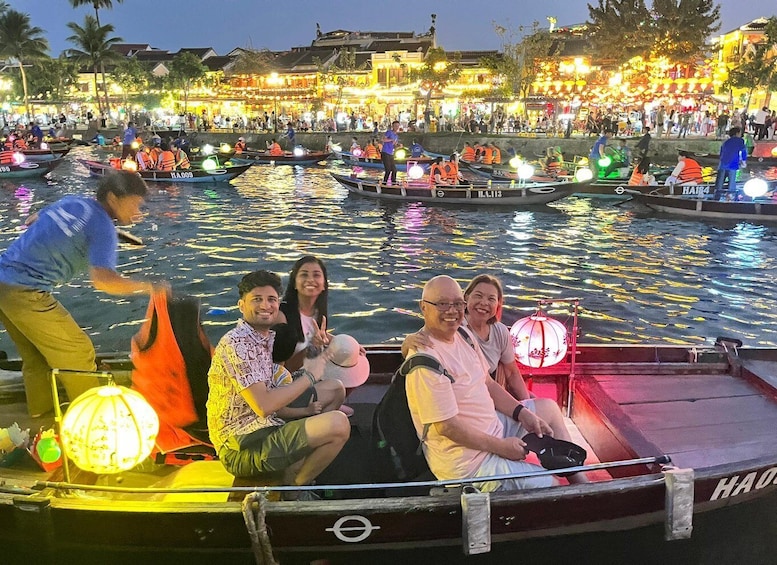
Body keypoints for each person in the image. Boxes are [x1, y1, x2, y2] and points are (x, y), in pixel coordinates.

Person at [0, 171, 162, 417]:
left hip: (3, 280)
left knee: (36, 356)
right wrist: (149, 286)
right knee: (79, 352)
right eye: (135, 202)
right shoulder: (103, 228)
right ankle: (93, 421)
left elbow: (33, 220)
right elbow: (103, 281)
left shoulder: (73, 201)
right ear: (113, 198)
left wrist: (81, 236)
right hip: (26, 291)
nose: (138, 210)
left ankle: (41, 415)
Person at [404, 275, 585, 491]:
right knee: (550, 485)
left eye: (457, 304)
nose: (451, 311)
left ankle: (582, 484)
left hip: (492, 425)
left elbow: (488, 383)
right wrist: (501, 447)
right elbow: (447, 427)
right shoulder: (426, 362)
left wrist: (523, 414)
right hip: (469, 462)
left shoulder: (463, 335)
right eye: (442, 304)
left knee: (548, 409)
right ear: (424, 307)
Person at [206, 270, 349, 494]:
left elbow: (282, 380)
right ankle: (295, 486)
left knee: (334, 389)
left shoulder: (262, 338)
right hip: (242, 445)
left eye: (271, 299)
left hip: (268, 424)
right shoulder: (238, 344)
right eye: (257, 299)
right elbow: (265, 406)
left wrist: (316, 348)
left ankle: (296, 465)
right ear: (241, 305)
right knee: (338, 425)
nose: (265, 305)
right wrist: (310, 376)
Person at [403, 274, 531, 401]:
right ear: (465, 299)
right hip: (467, 400)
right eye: (478, 296)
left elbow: (512, 373)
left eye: (491, 299)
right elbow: (425, 339)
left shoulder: (500, 331)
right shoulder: (454, 327)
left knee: (543, 406)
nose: (484, 303)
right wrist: (407, 343)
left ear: (498, 304)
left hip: (492, 396)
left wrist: (526, 404)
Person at [714, 127, 747, 199]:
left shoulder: (726, 142)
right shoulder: (740, 141)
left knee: (719, 184)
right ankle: (731, 197)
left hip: (722, 164)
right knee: (731, 183)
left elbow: (721, 153)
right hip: (733, 164)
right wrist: (743, 162)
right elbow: (743, 152)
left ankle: (716, 197)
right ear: (737, 133)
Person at [381, 120, 401, 184]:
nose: (396, 127)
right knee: (388, 170)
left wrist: (398, 146)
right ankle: (384, 182)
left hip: (391, 153)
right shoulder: (389, 132)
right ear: (393, 126)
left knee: (394, 170)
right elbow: (383, 139)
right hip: (385, 152)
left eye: (397, 126)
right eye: (395, 126)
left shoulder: (396, 136)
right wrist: (391, 140)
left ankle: (393, 183)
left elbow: (394, 145)